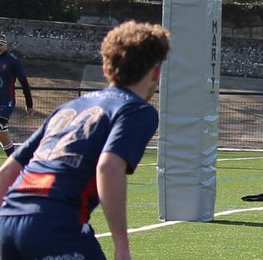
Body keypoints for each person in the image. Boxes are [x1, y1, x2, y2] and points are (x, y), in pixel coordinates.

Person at [0, 21, 168, 260]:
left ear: (106, 66)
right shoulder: (136, 110)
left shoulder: (70, 108)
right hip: (57, 225)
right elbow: (109, 167)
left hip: (7, 221)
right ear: (156, 71)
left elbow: (8, 172)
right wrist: (122, 247)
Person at [0, 35, 33, 156]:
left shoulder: (12, 61)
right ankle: (14, 163)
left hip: (6, 102)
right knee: (3, 136)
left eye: (1, 44)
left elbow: (24, 82)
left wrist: (29, 104)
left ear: (6, 45)